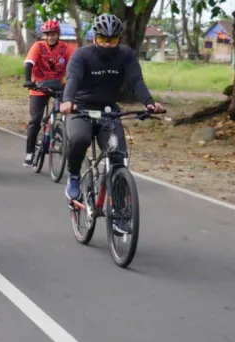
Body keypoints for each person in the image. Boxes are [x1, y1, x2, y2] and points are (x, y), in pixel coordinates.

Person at [59, 13, 164, 207]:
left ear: (119, 39)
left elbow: (136, 80)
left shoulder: (126, 55)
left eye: (113, 39)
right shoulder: (82, 55)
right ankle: (73, 176)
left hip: (109, 111)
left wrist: (149, 102)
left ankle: (121, 211)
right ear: (94, 38)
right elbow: (72, 79)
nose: (108, 44)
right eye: (103, 39)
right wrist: (67, 101)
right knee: (80, 139)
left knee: (118, 156)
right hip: (81, 109)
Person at [22, 19, 74, 166]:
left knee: (69, 111)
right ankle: (30, 152)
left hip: (59, 85)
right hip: (39, 86)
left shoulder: (66, 48)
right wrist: (28, 80)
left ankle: (62, 135)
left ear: (58, 34)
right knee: (35, 120)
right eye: (48, 34)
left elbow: (74, 65)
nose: (50, 37)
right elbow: (29, 63)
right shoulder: (38, 46)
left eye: (53, 34)